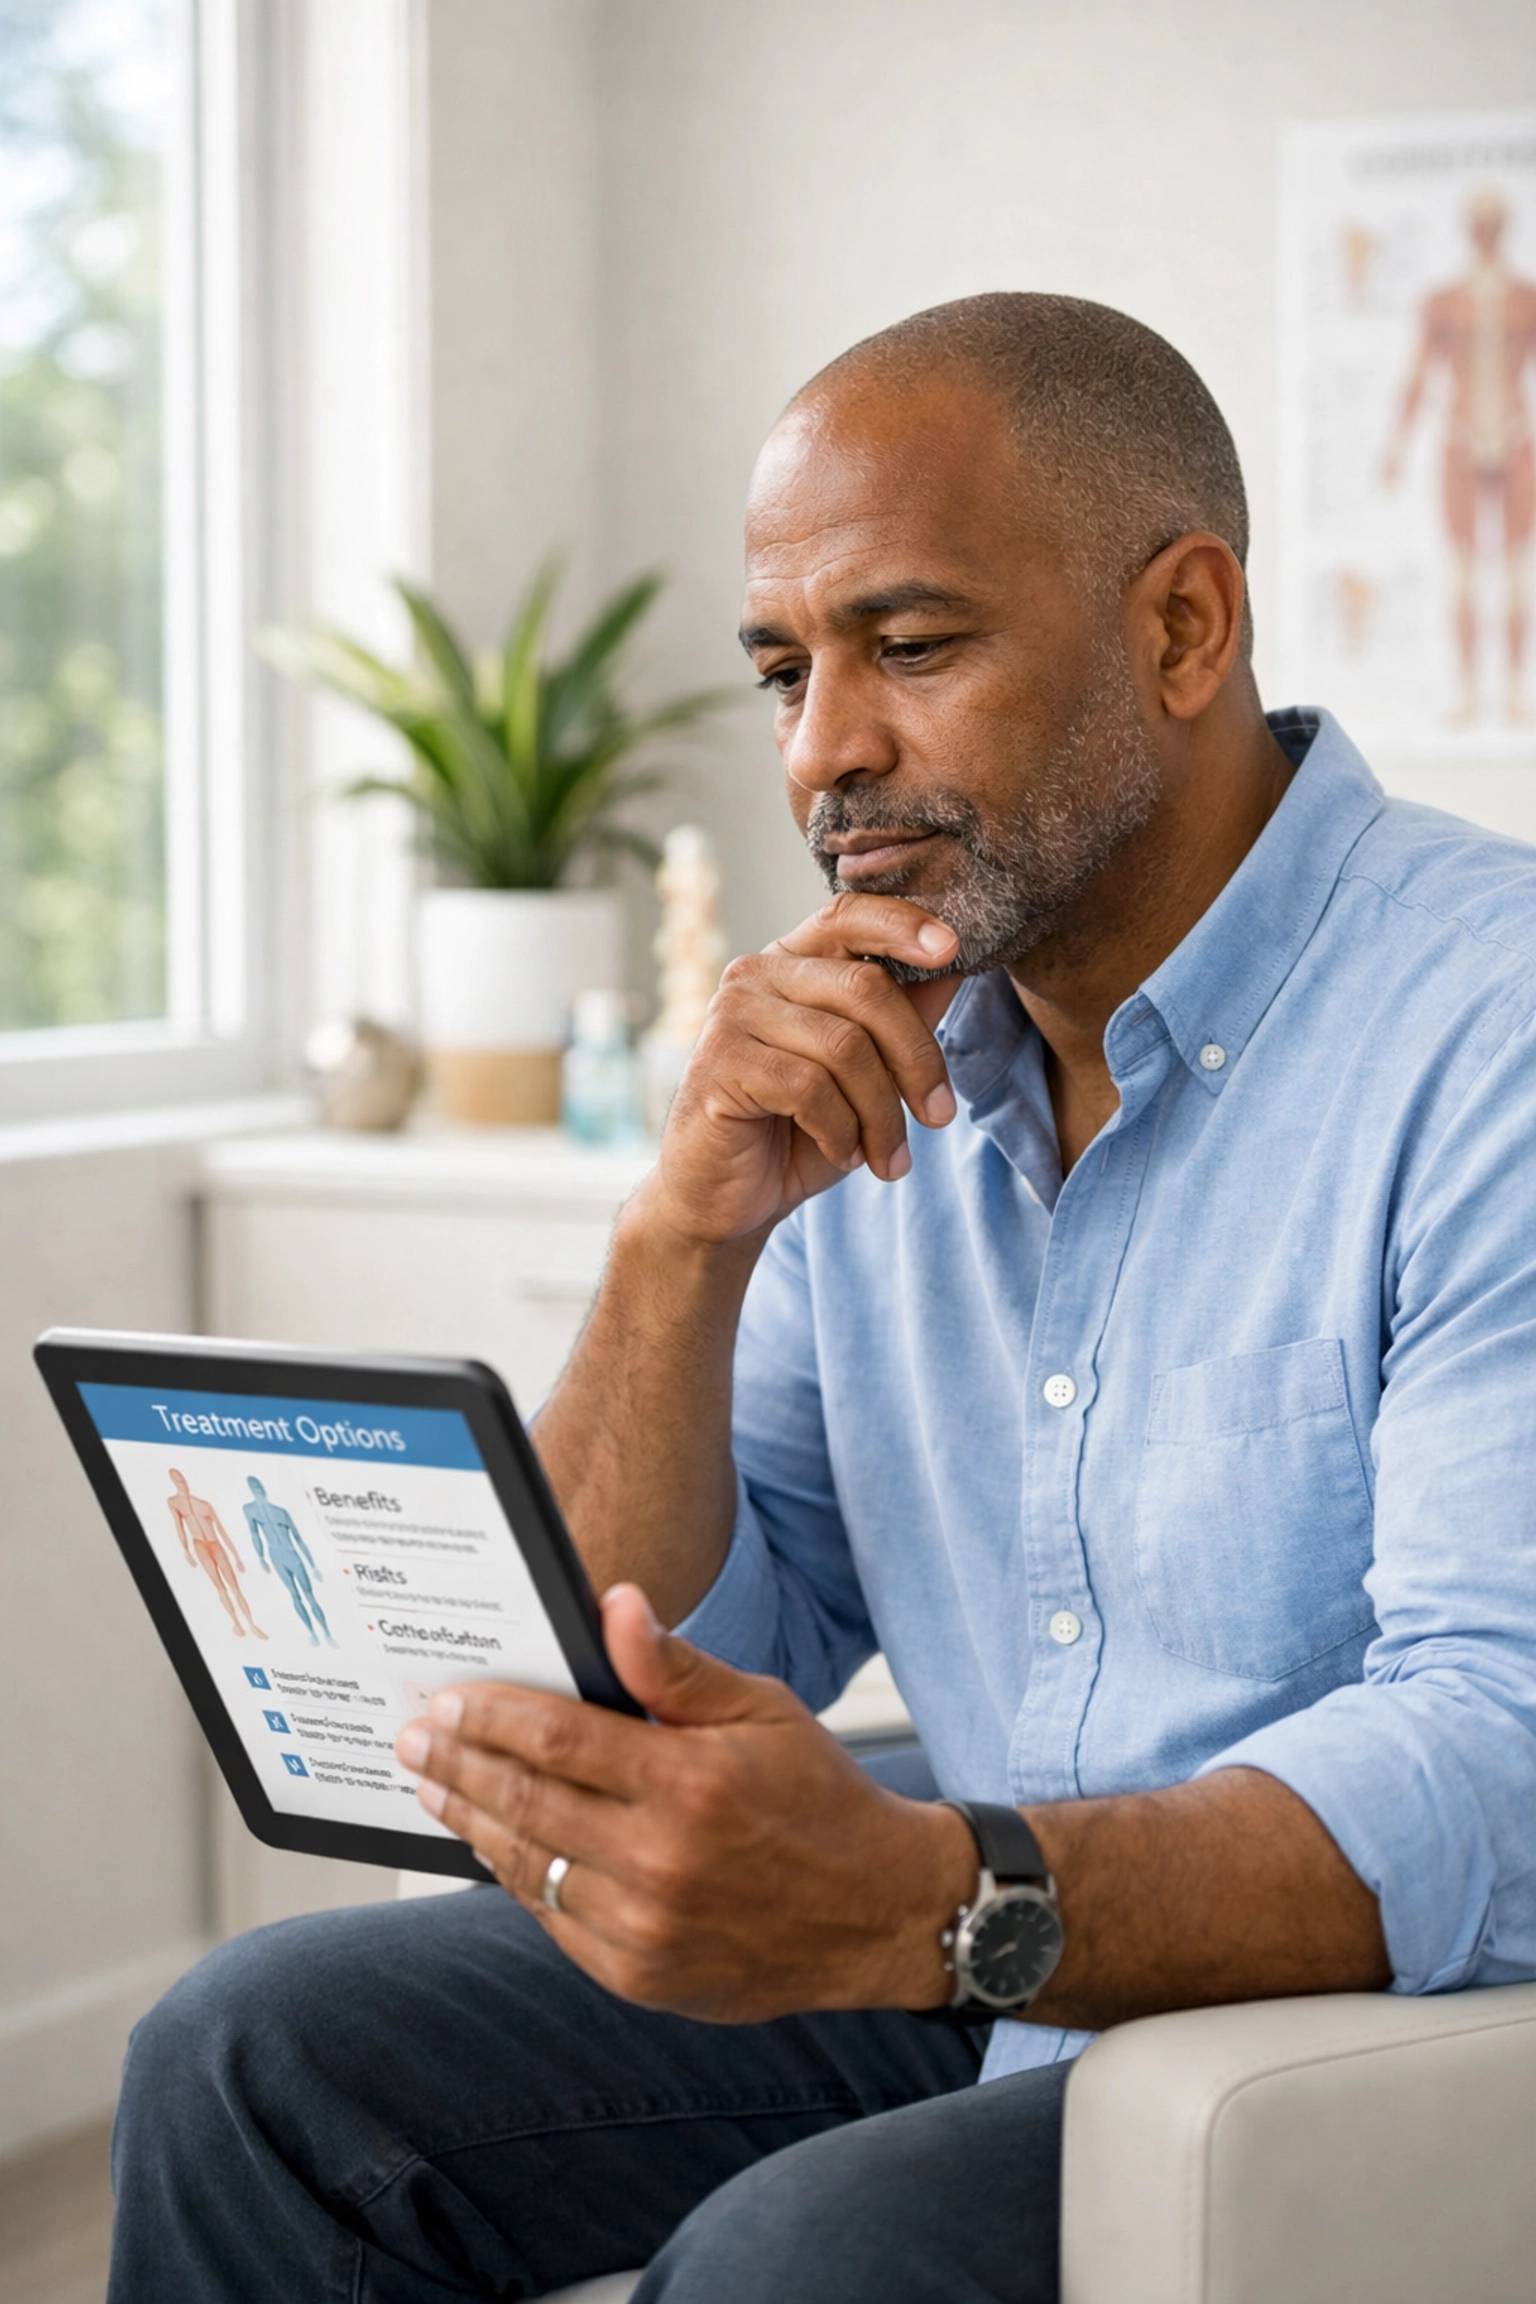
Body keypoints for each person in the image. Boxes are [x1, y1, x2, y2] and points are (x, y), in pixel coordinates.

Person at [109, 293, 1536, 2303]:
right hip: (981, 1938)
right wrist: (680, 1235)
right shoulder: (880, 1060)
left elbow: (1506, 1751)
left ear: (1184, 629)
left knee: (797, 2260)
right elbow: (621, 1654)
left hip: (1383, 2017)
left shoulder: (1492, 1028)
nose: (820, 749)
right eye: (783, 668)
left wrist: (938, 1891)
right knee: (250, 2063)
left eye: (912, 644)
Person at [1382, 185, 1536, 724]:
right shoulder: (1444, 300)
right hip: (1461, 437)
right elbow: (1420, 375)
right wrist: (1395, 448)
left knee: (1517, 569)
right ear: (1471, 229)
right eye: (1481, 221)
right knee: (1467, 569)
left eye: (1495, 221)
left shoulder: (1527, 298)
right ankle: (1471, 693)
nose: (1487, 230)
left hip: (1515, 436)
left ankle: (1514, 692)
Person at [165, 1467, 265, 1640]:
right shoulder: (174, 1502)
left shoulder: (203, 1504)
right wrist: (186, 1550)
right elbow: (179, 1526)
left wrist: (236, 1556)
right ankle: (236, 1622)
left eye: (183, 1479)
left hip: (215, 1544)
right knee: (220, 1587)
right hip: (199, 1545)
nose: (183, 1483)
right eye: (178, 1480)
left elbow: (220, 1529)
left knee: (235, 1587)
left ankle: (251, 1624)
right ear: (173, 1482)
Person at [242, 1473, 334, 1647]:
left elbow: (298, 1539)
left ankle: (327, 1634)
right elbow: (254, 1533)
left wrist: (313, 1565)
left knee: (309, 1596)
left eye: (259, 1488)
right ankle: (312, 1633)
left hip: (291, 1554)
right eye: (254, 1489)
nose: (257, 1491)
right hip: (275, 1555)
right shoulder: (250, 1510)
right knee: (295, 1595)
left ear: (264, 1490)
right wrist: (261, 1557)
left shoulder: (281, 1512)